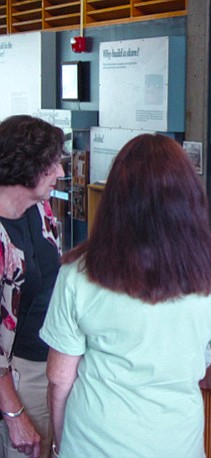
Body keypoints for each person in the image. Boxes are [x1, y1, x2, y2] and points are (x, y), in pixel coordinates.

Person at [39, 133, 211, 458]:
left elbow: (60, 379)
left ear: (115, 197)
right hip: (175, 444)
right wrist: (204, 381)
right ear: (189, 196)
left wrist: (61, 441)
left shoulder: (79, 271)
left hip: (92, 441)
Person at [0, 115, 65, 458]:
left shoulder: (40, 209)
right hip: (17, 374)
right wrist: (13, 414)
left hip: (50, 360)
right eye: (52, 164)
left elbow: (56, 269)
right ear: (25, 164)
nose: (60, 173)